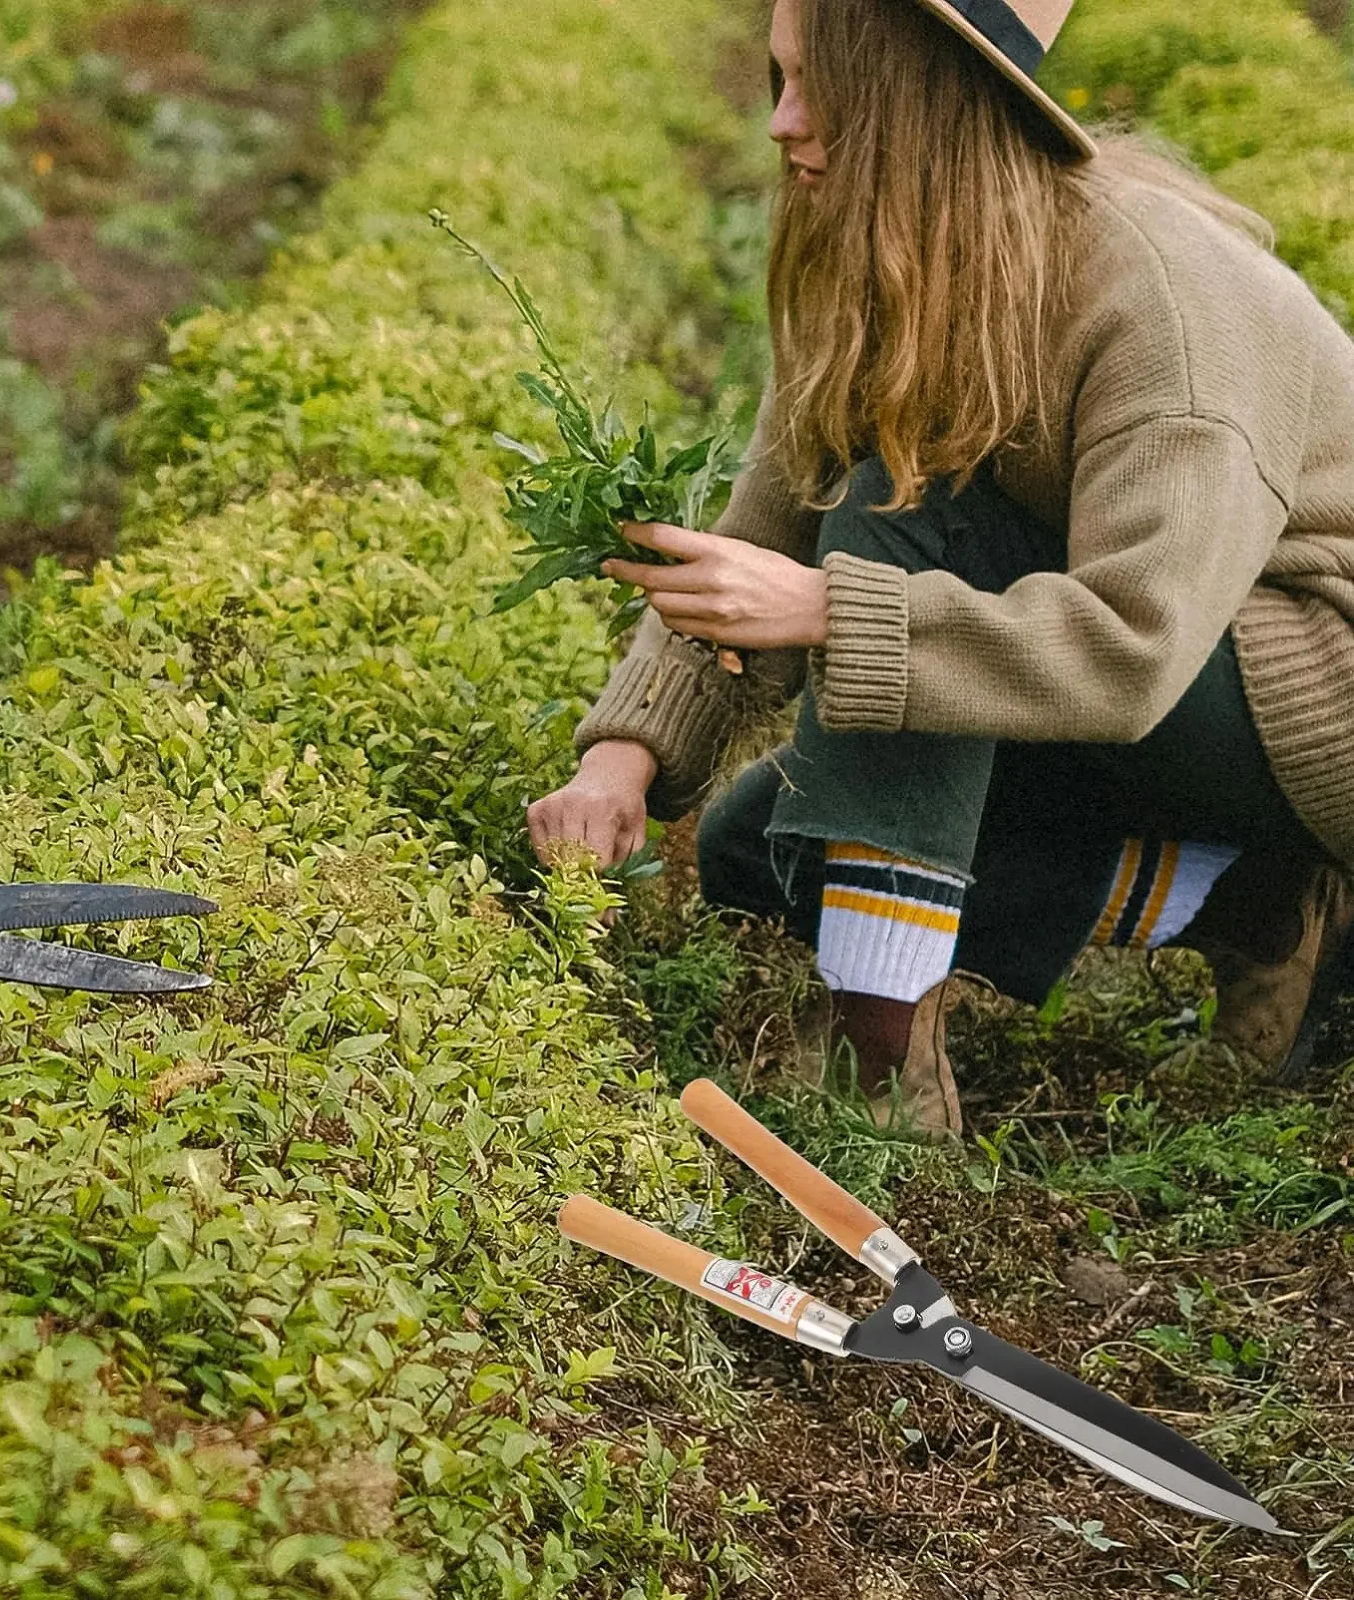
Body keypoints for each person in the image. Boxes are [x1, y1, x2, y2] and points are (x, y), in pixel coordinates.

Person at [526, 0, 1354, 1139]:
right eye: (776, 81)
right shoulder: (885, 254)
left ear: (919, 101)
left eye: (816, 87)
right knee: (755, 851)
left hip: (1310, 691)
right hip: (1150, 682)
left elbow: (1133, 650)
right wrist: (620, 763)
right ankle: (1258, 906)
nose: (782, 123)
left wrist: (825, 609)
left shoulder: (1159, 297)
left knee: (897, 495)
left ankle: (880, 1071)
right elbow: (761, 534)